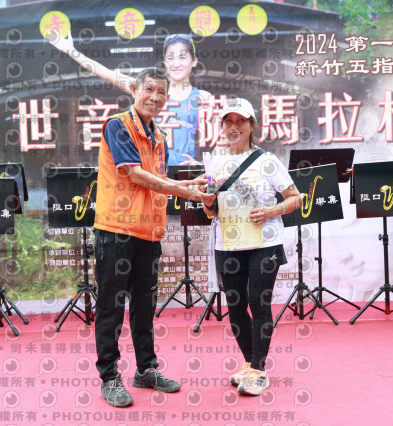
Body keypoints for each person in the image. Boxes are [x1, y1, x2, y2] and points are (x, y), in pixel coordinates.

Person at [93, 67, 215, 407]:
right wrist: (185, 191)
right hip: (116, 230)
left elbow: (157, 181)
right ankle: (109, 376)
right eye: (149, 89)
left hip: (148, 232)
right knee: (111, 307)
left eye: (162, 92)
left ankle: (146, 369)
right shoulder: (118, 126)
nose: (155, 97)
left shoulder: (158, 135)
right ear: (135, 89)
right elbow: (136, 176)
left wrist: (187, 185)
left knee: (144, 307)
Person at [203, 98, 302, 396]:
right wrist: (208, 204)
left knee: (259, 304)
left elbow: (295, 197)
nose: (234, 127)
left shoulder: (266, 160)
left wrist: (271, 211)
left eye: (240, 121)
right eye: (228, 121)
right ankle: (249, 363)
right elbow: (211, 210)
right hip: (228, 243)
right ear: (222, 127)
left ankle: (259, 370)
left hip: (264, 243)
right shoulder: (215, 163)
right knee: (235, 307)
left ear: (251, 125)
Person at [49, 31, 211, 165]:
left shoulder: (203, 98)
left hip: (185, 177)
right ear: (164, 61)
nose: (176, 63)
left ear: (194, 61)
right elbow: (108, 74)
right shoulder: (144, 91)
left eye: (182, 57)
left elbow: (220, 144)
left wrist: (201, 165)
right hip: (150, 175)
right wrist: (71, 51)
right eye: (170, 58)